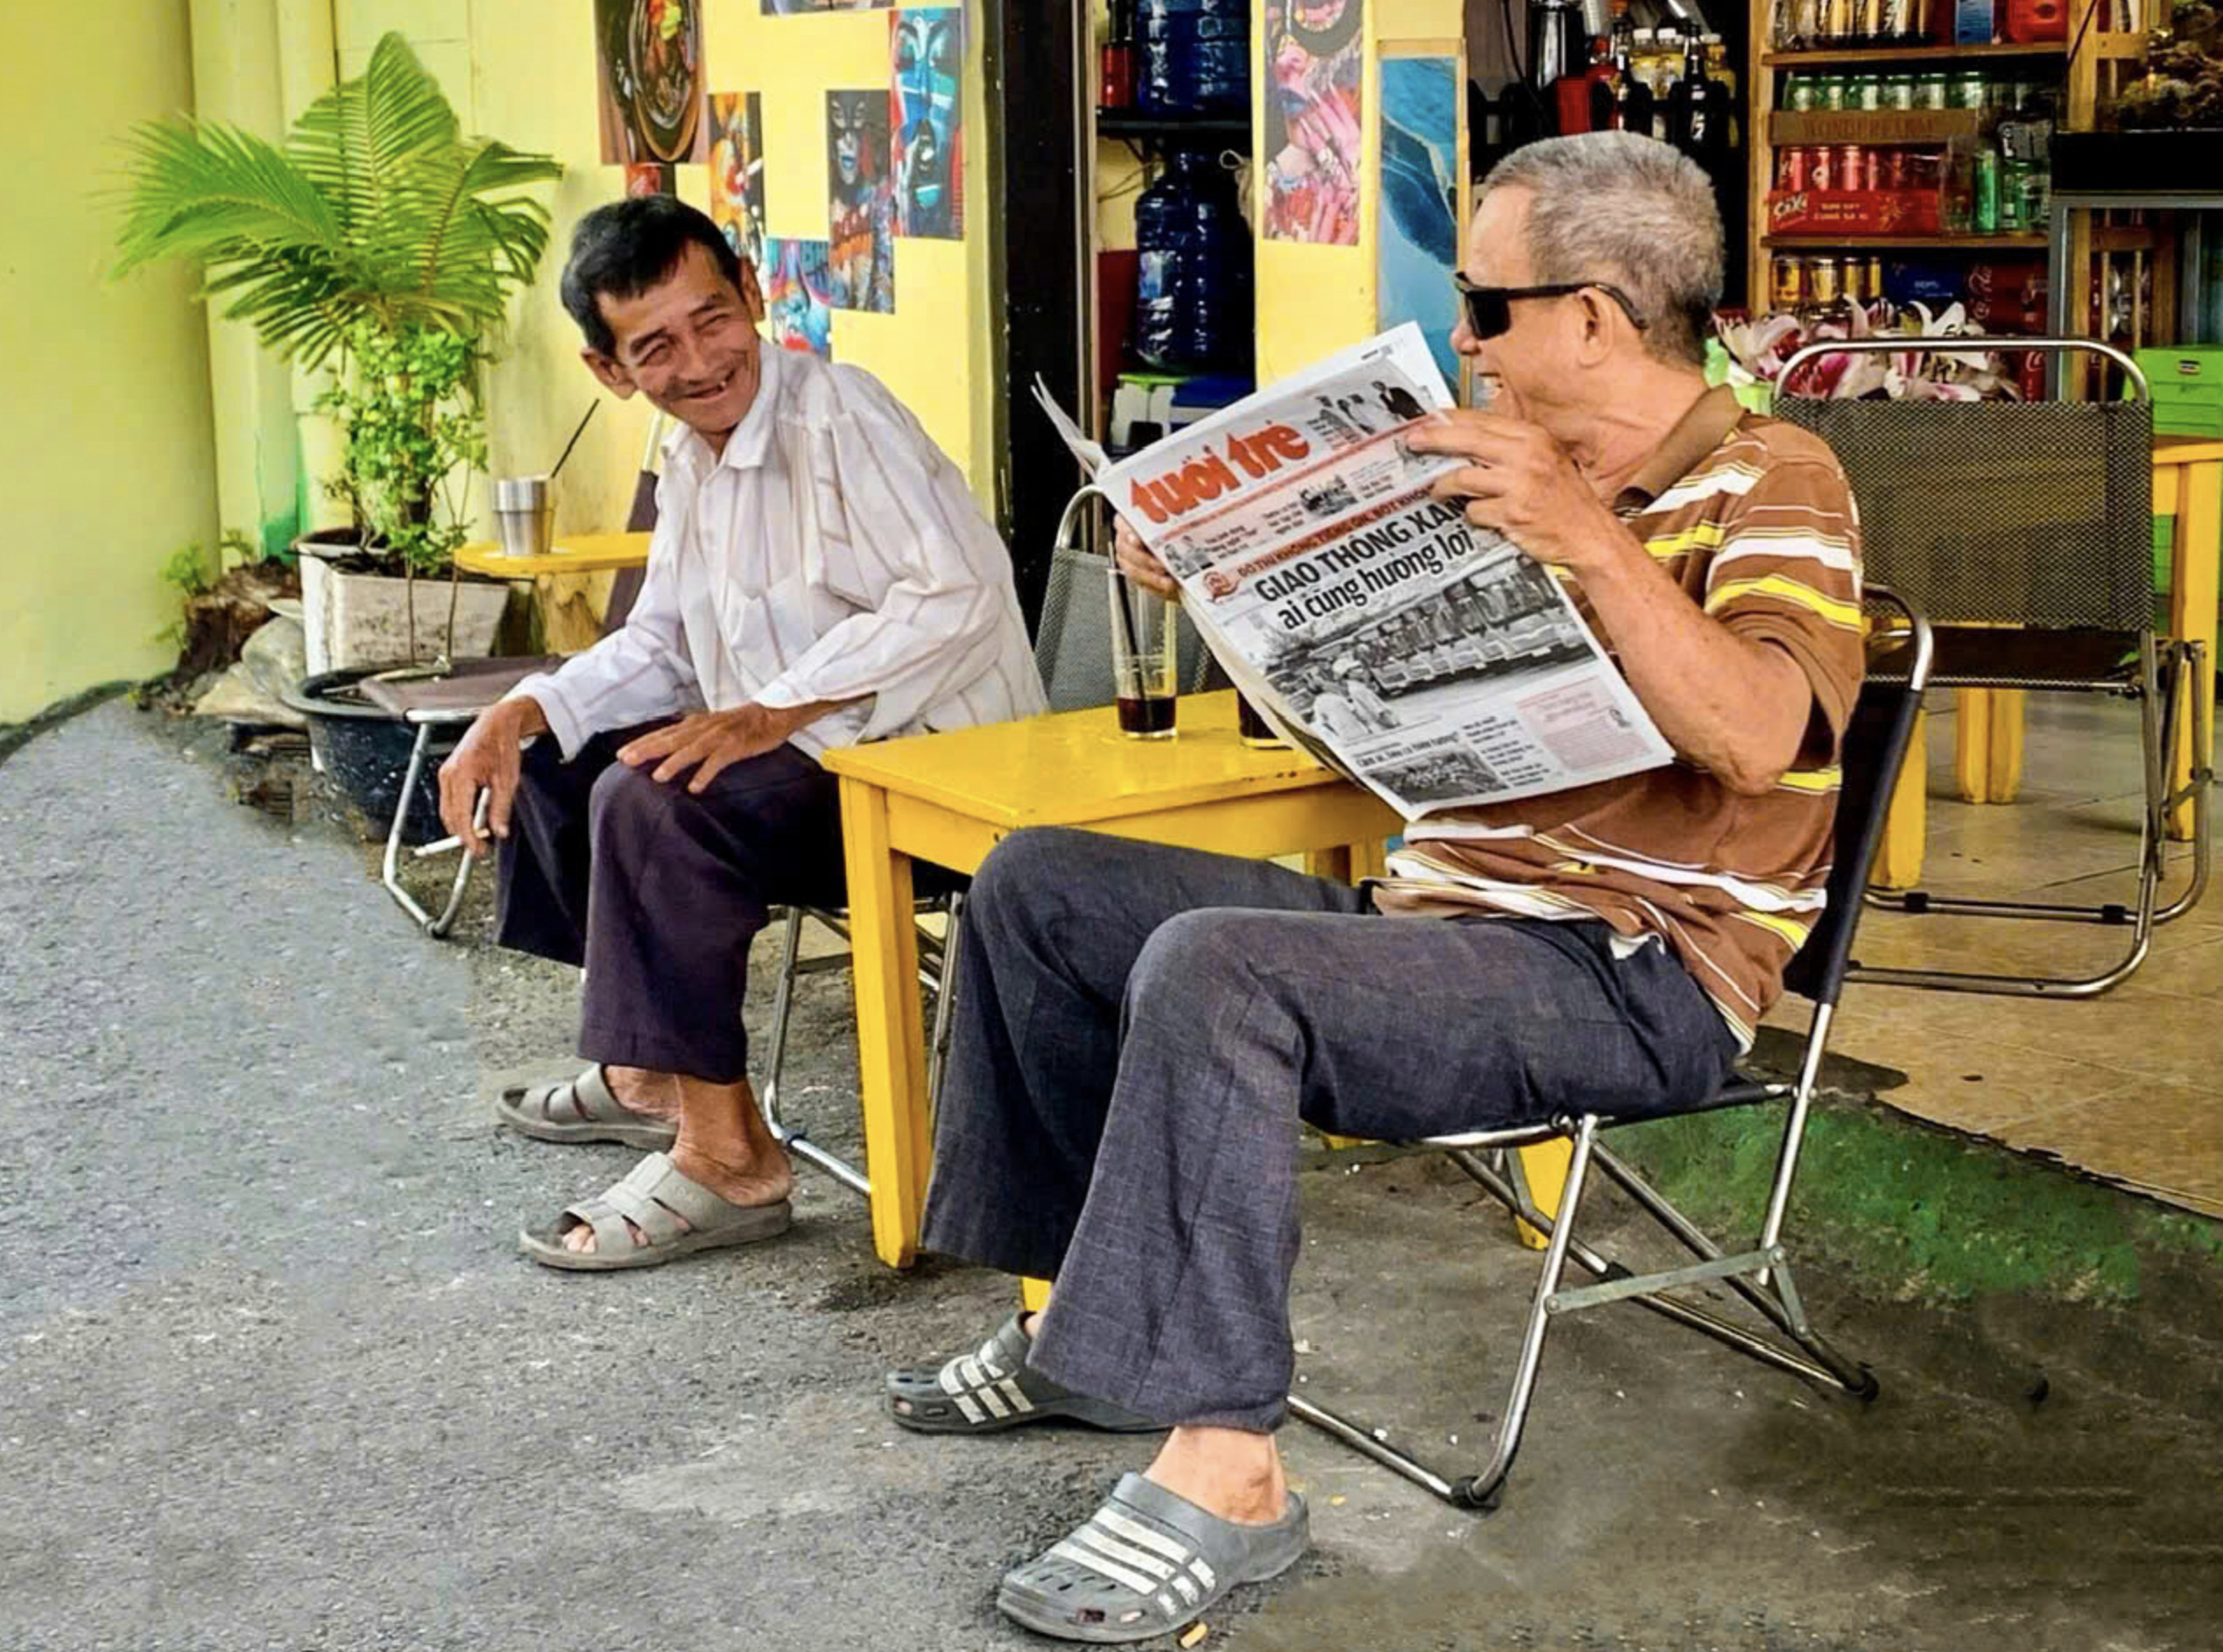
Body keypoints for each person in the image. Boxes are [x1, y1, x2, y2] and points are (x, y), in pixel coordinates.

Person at [883, 131, 1863, 1643]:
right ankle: (1077, 1324)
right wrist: (1223, 580)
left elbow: (1754, 736)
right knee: (1033, 884)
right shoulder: (1484, 463)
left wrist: (1589, 541)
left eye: (1480, 307)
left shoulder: (1772, 478)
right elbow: (1381, 726)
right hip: (1437, 923)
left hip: (1626, 964)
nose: (1460, 340)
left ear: (1593, 315)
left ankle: (1224, 1472)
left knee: (1218, 967)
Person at [436, 196, 1042, 1272]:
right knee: (563, 762)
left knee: (655, 803)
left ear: (753, 295)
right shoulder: (689, 456)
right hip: (801, 754)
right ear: (610, 368)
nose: (703, 359)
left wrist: (779, 706)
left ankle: (730, 1162)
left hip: (929, 760)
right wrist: (521, 708)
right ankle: (651, 1071)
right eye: (656, 344)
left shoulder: (840, 415)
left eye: (714, 317)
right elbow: (667, 639)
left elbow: (959, 592)